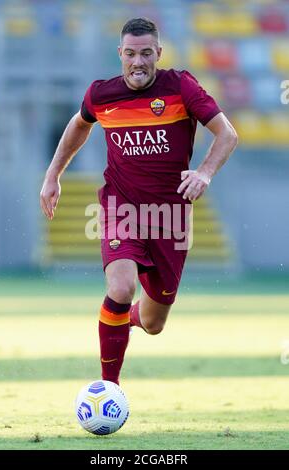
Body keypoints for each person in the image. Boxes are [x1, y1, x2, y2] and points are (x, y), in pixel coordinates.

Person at [40, 17, 238, 386]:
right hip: (121, 208)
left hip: (171, 218)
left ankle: (122, 319)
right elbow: (79, 124)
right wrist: (53, 176)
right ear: (120, 54)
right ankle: (108, 389)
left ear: (158, 53)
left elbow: (227, 134)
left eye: (146, 53)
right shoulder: (102, 95)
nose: (138, 62)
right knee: (120, 287)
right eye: (130, 54)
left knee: (152, 323)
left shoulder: (181, 87)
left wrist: (204, 172)